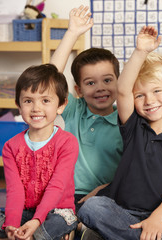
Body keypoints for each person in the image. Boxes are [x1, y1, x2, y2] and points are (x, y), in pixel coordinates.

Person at [77, 26, 162, 240]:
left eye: (157, 91)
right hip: (122, 212)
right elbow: (122, 90)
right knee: (91, 207)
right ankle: (155, 237)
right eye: (140, 96)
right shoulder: (134, 125)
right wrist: (140, 51)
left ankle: (130, 235)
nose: (149, 101)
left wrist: (157, 218)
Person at [0, 64, 79, 239]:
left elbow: (57, 186)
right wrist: (12, 224)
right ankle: (24, 233)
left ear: (61, 106)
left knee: (62, 221)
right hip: (26, 212)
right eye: (28, 101)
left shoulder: (67, 142)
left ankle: (33, 234)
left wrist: (38, 220)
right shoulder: (10, 146)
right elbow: (15, 190)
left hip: (57, 212)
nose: (36, 108)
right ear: (18, 105)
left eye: (45, 100)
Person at [50, 5, 123, 212]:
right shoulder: (73, 109)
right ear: (78, 90)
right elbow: (49, 79)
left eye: (107, 80)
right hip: (66, 196)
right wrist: (72, 33)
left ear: (119, 82)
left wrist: (105, 190)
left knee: (98, 213)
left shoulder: (125, 120)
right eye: (90, 83)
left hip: (107, 195)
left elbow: (131, 171)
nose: (100, 88)